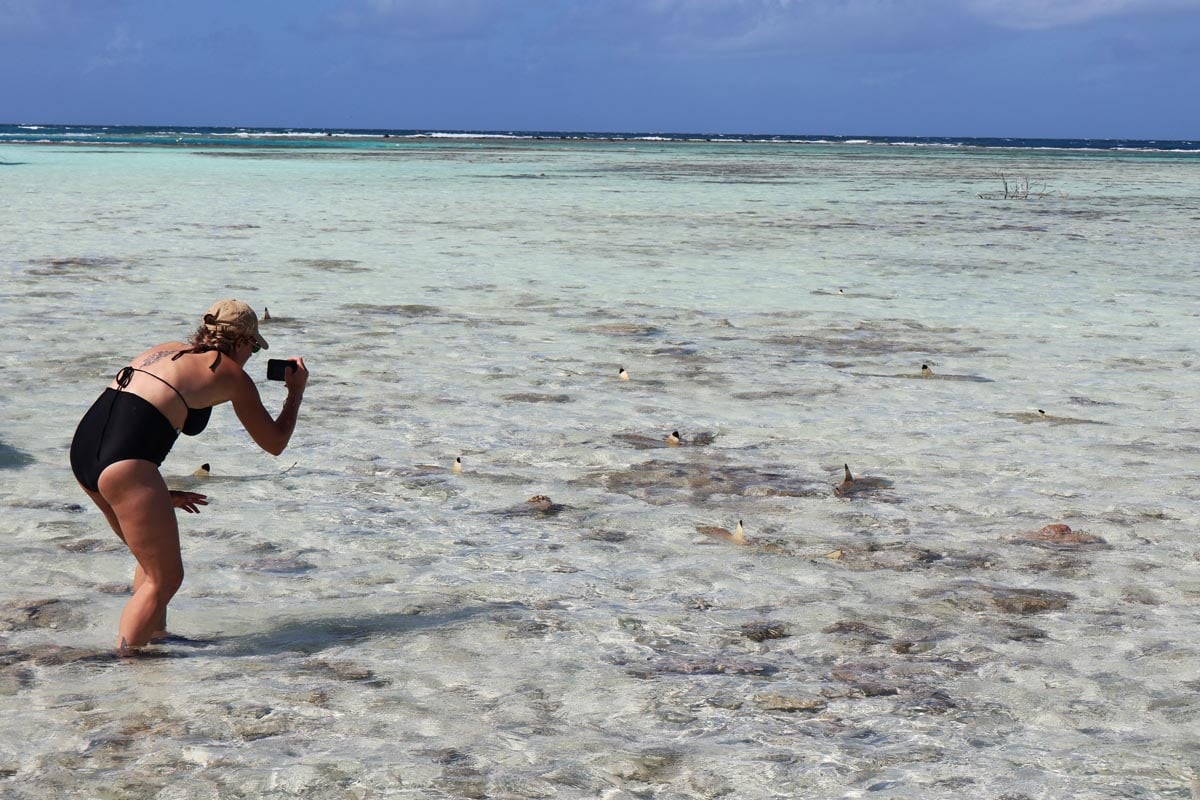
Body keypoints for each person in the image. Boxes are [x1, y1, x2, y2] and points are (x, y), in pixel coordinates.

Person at [69, 299, 308, 653]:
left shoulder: (166, 350)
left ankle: (156, 638)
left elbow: (130, 420)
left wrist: (156, 495)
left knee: (151, 565)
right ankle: (126, 668)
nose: (251, 355)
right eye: (254, 347)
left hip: (85, 454)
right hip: (125, 466)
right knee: (165, 579)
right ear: (241, 342)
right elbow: (274, 443)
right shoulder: (230, 374)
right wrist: (295, 394)